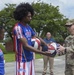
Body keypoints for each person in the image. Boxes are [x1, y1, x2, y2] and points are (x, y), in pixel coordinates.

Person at [12, 3, 50, 75]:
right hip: (21, 60)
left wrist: (46, 45)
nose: (30, 18)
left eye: (31, 16)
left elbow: (36, 37)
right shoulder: (18, 28)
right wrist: (42, 52)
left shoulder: (28, 27)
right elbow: (25, 46)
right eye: (28, 16)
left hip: (30, 59)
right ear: (23, 16)